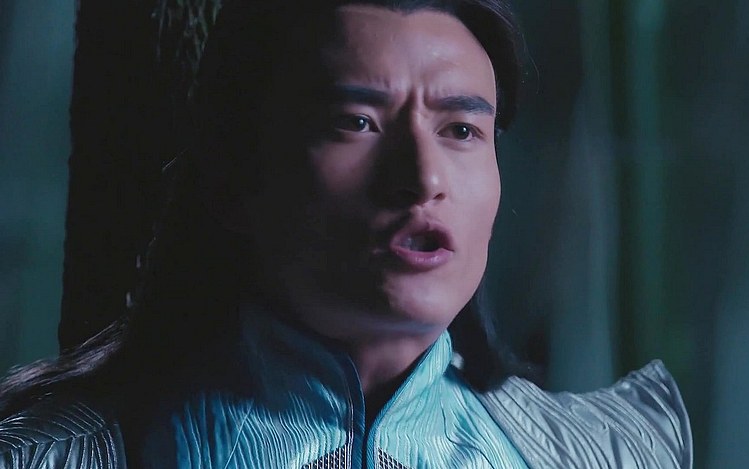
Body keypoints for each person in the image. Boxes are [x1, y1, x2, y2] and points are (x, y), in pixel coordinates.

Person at [0, 0, 692, 467]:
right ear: (237, 171)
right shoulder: (51, 455)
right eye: (356, 122)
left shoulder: (611, 452)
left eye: (459, 129)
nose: (422, 177)